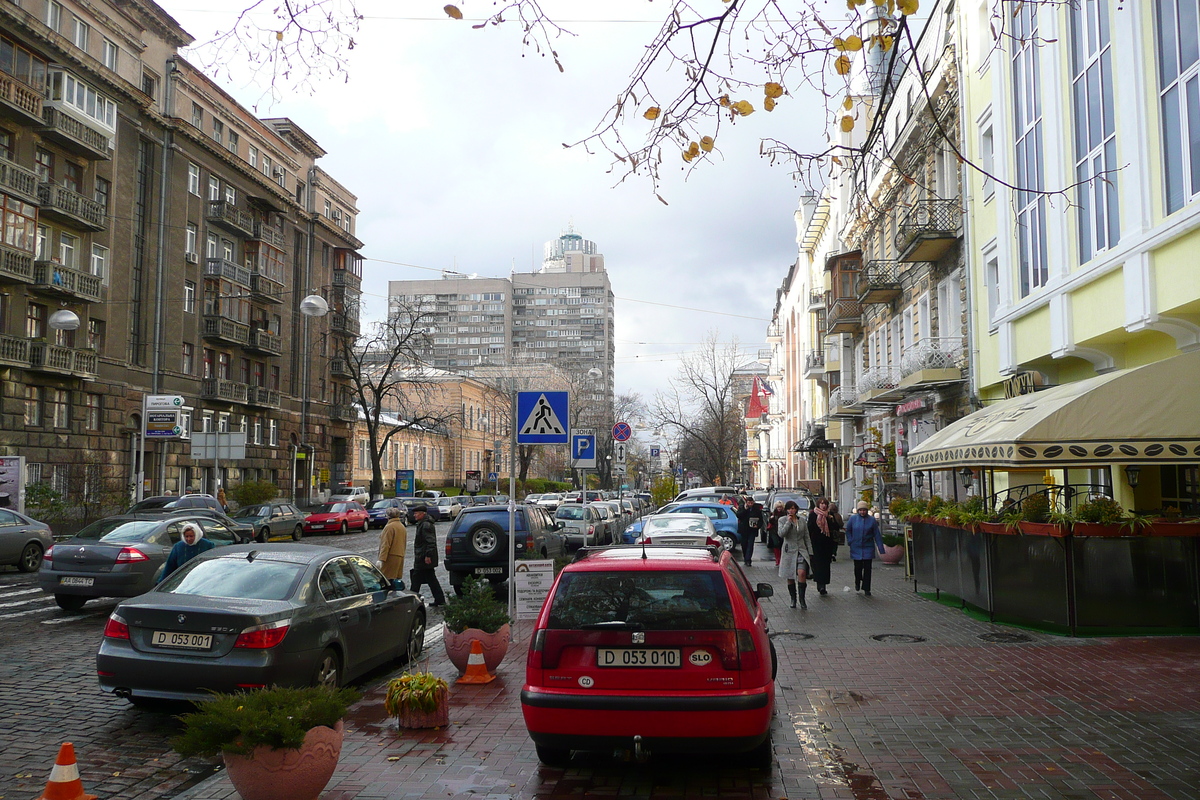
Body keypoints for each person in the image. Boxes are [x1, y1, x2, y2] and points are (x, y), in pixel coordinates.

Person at [777, 500, 813, 609]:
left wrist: (810, 552)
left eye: (793, 508)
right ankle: (793, 598)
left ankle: (802, 599)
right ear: (786, 510)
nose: (791, 510)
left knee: (802, 572)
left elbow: (806, 537)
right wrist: (788, 522)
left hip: (801, 550)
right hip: (789, 551)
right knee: (790, 575)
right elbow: (781, 534)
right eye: (789, 508)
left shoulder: (801, 521)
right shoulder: (782, 520)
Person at [845, 500, 886, 596]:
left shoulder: (871, 520)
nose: (862, 512)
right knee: (858, 568)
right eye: (861, 510)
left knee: (867, 569)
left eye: (864, 510)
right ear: (858, 510)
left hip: (868, 547)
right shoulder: (853, 519)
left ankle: (867, 588)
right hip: (856, 547)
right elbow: (848, 531)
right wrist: (850, 541)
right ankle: (857, 581)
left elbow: (877, 534)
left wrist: (881, 548)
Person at [409, 505, 446, 606]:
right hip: (423, 556)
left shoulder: (425, 525)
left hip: (423, 557)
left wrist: (428, 555)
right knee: (430, 578)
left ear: (422, 514)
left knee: (416, 579)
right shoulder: (423, 524)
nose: (414, 515)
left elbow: (430, 542)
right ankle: (439, 599)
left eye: (416, 513)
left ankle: (412, 601)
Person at [807, 497, 835, 596]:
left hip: (827, 543)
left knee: (826, 565)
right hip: (816, 543)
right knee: (818, 564)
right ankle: (820, 584)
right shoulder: (813, 514)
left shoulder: (829, 515)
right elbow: (809, 528)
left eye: (825, 504)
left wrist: (830, 519)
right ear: (818, 504)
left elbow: (835, 527)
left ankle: (824, 584)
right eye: (821, 503)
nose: (823, 505)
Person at [377, 507, 408, 591]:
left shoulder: (389, 527)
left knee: (386, 581)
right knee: (394, 579)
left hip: (390, 557)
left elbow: (385, 544)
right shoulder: (401, 526)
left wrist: (381, 559)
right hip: (399, 556)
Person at [737, 495, 762, 567]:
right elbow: (739, 515)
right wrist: (745, 509)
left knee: (750, 545)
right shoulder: (742, 507)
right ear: (746, 503)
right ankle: (745, 557)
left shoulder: (756, 509)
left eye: (751, 503)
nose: (750, 504)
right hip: (744, 529)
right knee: (744, 544)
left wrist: (758, 526)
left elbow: (760, 519)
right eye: (749, 503)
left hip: (752, 530)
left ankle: (748, 560)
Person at [766, 501, 786, 566]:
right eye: (778, 507)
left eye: (780, 507)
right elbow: (770, 522)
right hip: (774, 531)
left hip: (782, 531)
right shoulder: (773, 513)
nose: (779, 508)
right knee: (776, 544)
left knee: (781, 545)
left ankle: (781, 559)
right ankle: (777, 559)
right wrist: (771, 518)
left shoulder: (785, 514)